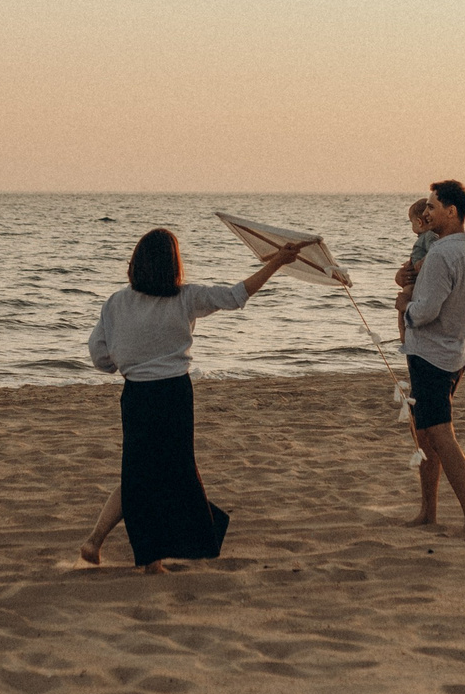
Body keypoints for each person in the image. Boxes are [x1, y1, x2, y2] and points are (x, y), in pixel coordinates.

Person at [80, 226, 305, 572]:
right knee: (174, 475)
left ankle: (98, 542)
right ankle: (149, 558)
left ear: (135, 264)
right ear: (174, 265)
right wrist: (276, 262)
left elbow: (99, 355)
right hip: (173, 394)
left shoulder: (116, 302)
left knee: (139, 474)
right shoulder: (185, 297)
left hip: (136, 396)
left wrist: (123, 363)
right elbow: (236, 295)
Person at [394, 180, 465, 538]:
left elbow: (426, 310)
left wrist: (405, 306)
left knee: (440, 434)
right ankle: (428, 512)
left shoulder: (442, 253)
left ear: (452, 211)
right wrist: (406, 278)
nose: (426, 212)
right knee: (425, 434)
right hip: (453, 350)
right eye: (427, 206)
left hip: (433, 355)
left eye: (433, 206)